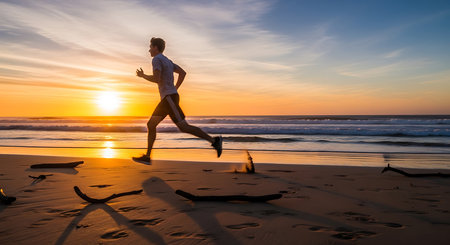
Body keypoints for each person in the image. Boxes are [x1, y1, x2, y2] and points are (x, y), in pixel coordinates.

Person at [132, 37, 223, 164]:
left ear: (156, 47)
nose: (148, 50)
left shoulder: (156, 59)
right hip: (168, 98)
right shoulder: (168, 61)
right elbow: (183, 73)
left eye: (150, 47)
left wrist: (143, 76)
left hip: (169, 98)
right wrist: (175, 88)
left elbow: (157, 78)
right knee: (152, 125)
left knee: (184, 127)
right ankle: (147, 157)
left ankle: (214, 141)